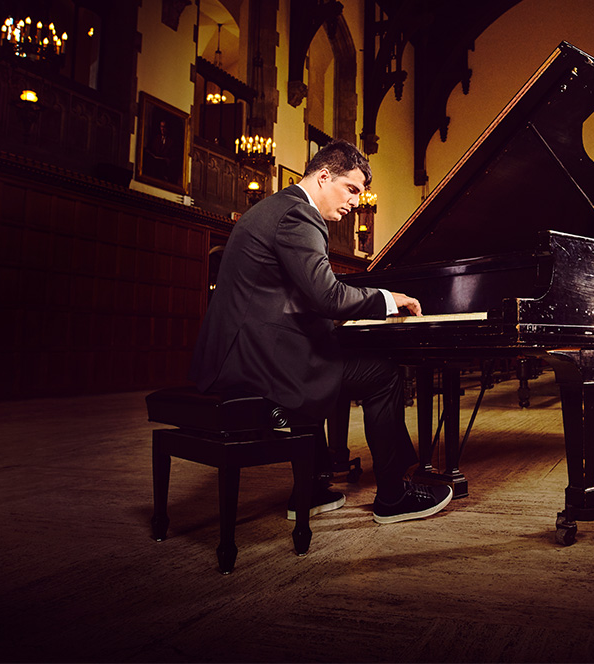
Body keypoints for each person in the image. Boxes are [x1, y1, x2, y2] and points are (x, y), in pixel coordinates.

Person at [188, 140, 452, 524]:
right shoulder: (299, 215)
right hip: (258, 363)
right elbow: (327, 295)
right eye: (351, 190)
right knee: (383, 375)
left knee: (328, 355)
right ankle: (393, 496)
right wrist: (387, 299)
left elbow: (291, 294)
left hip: (237, 355)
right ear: (324, 176)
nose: (355, 203)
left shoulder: (274, 208)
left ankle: (309, 491)